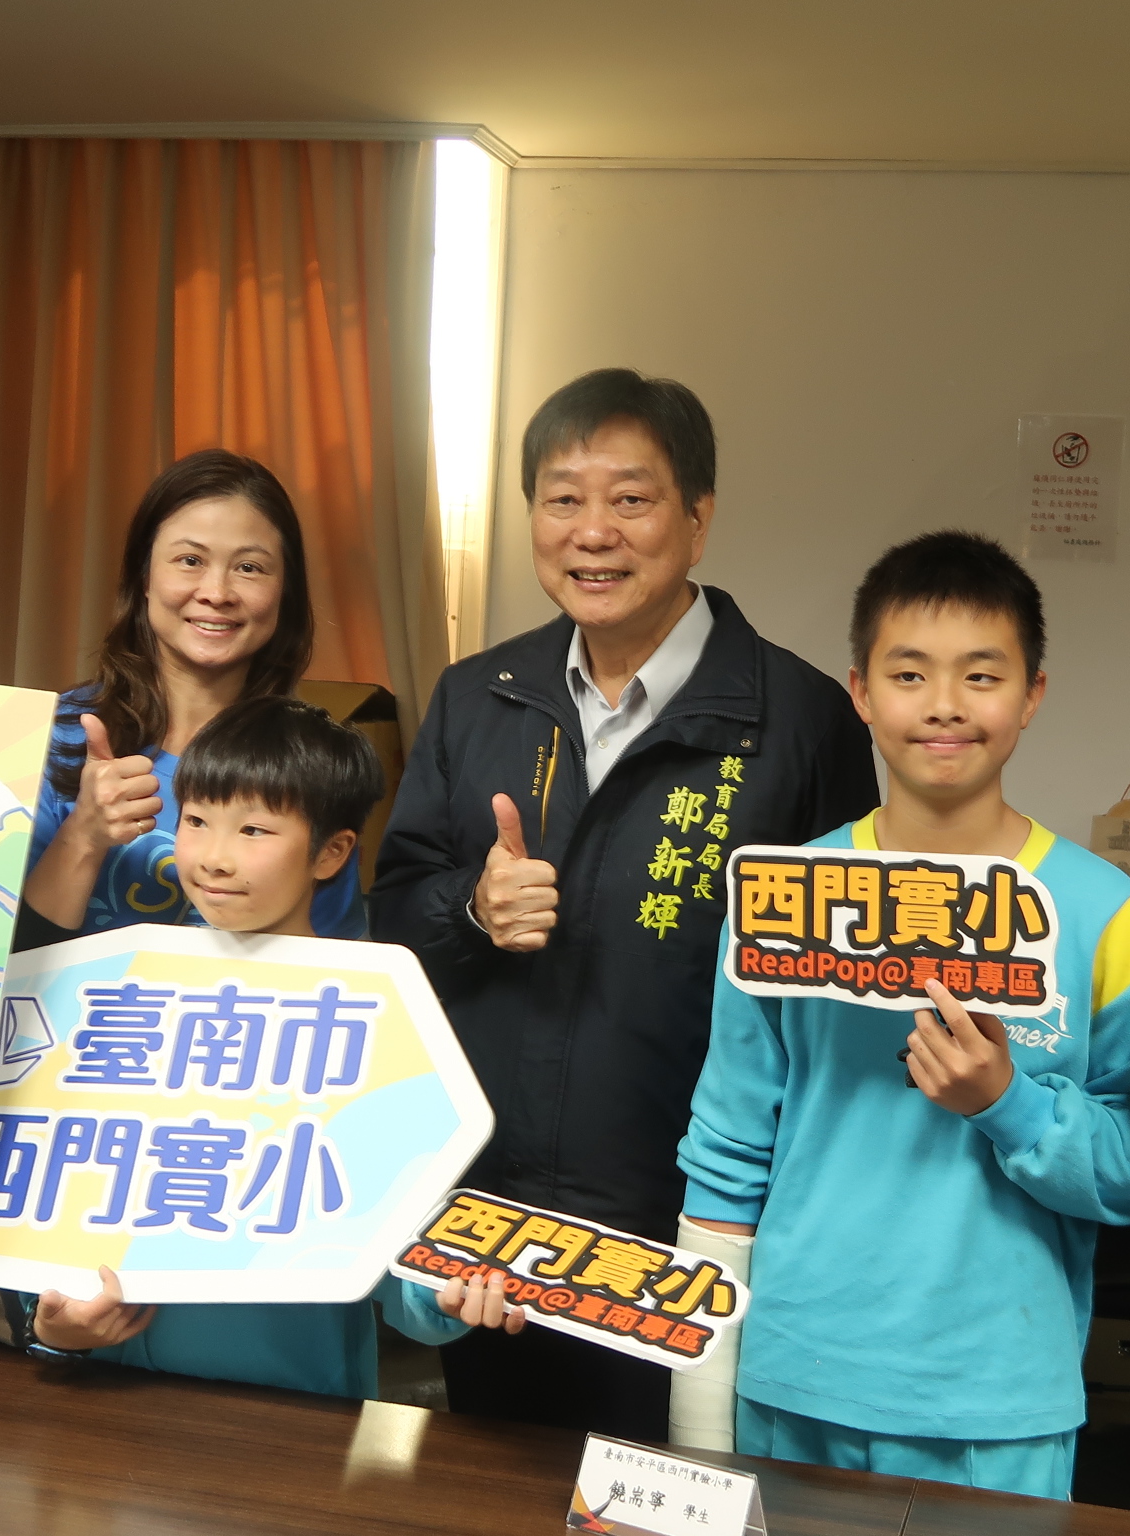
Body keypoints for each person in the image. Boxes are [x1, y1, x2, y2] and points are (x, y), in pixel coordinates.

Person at [375, 367, 879, 1441]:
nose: (593, 531)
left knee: (673, 1494)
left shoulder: (799, 722)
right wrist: (473, 908)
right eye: (562, 498)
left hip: (692, 1229)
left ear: (697, 519)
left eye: (631, 498)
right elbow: (395, 919)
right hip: (496, 1228)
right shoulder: (477, 696)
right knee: (490, 1491)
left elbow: (835, 992)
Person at [675, 532, 1130, 1497]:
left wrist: (1009, 1102)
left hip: (994, 1402)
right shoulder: (785, 899)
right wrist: (698, 1415)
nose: (945, 704)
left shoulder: (1102, 913)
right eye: (909, 674)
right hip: (794, 1384)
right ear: (861, 693)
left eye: (981, 675)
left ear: (1032, 695)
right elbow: (728, 1149)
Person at [19, 693, 519, 1393]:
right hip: (104, 1395)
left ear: (332, 851)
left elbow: (404, 1272)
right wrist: (52, 1328)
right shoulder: (117, 993)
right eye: (196, 821)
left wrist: (448, 1295)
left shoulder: (378, 1013)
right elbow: (49, 1193)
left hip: (291, 1411)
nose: (214, 859)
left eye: (253, 830)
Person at [19, 449, 362, 949]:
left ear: (284, 592)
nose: (216, 592)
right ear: (144, 578)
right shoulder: (49, 738)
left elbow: (332, 970)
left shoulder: (308, 761)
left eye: (249, 567)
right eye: (190, 561)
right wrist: (83, 835)